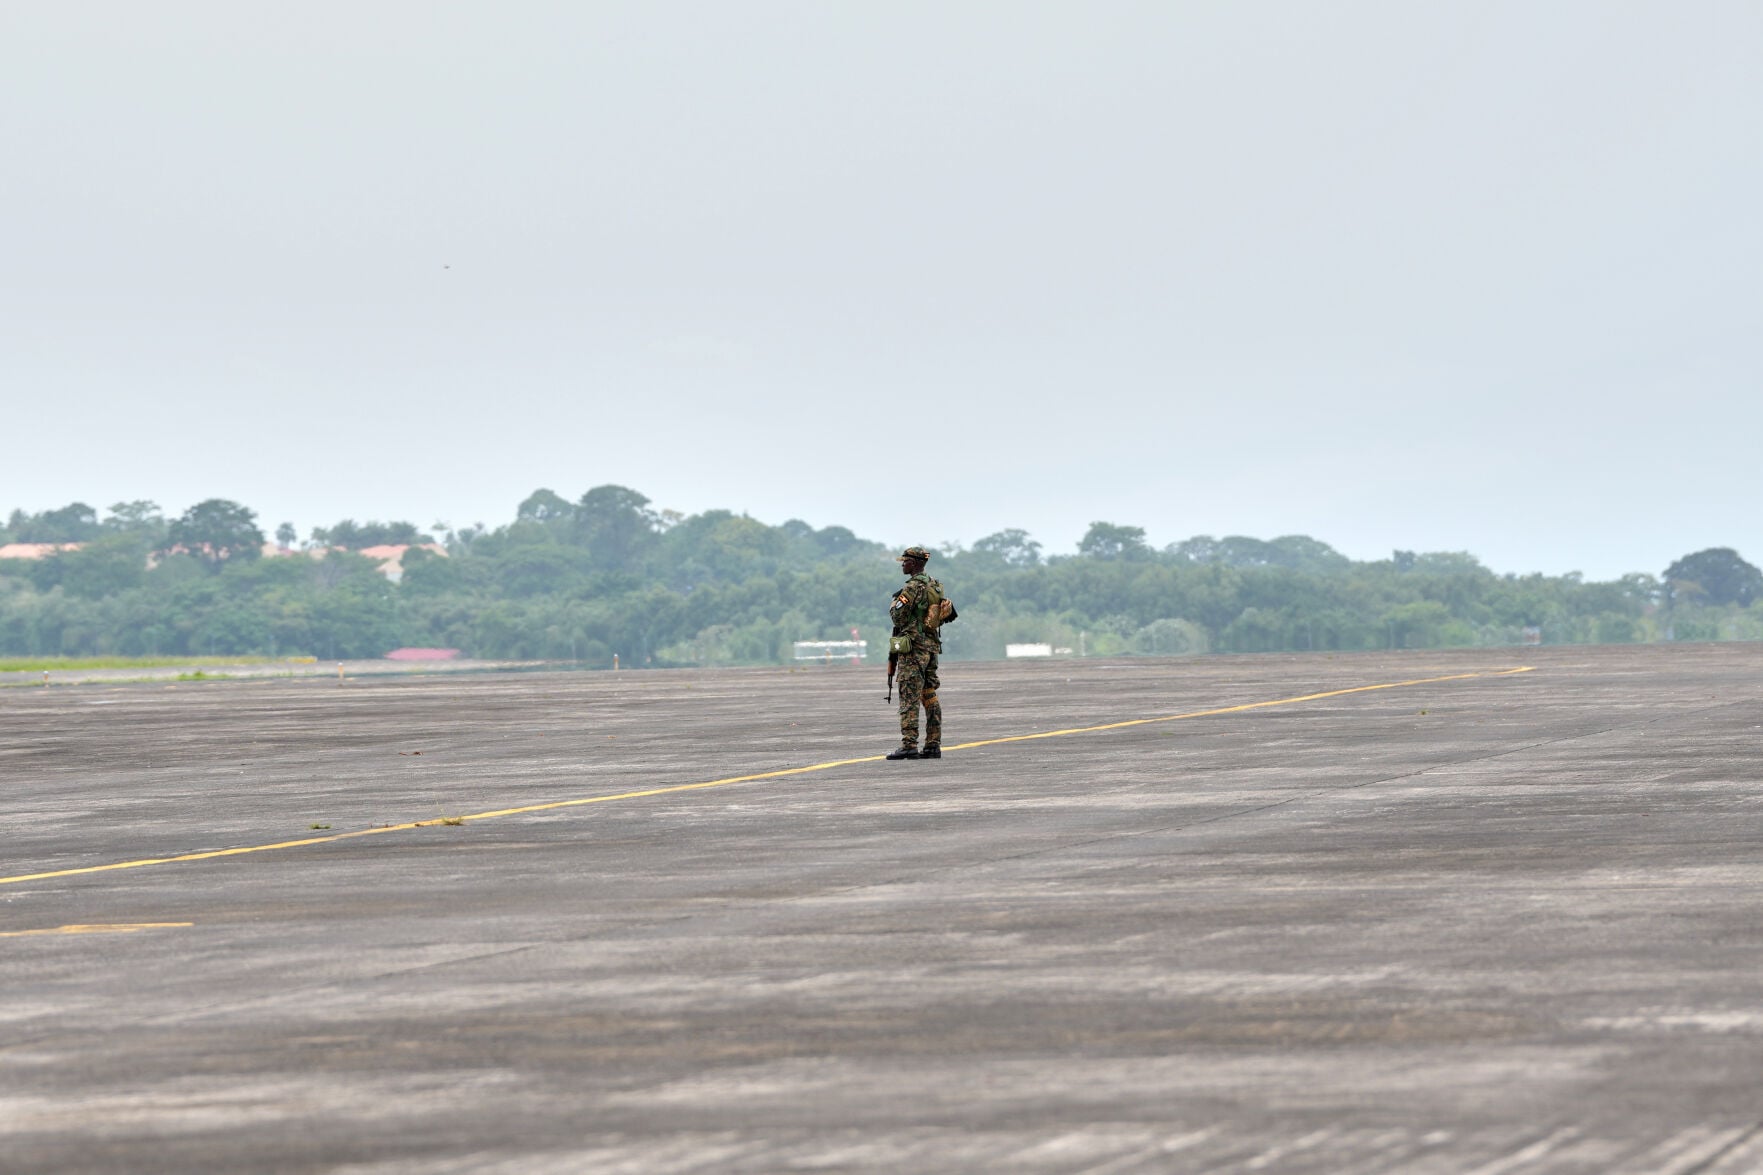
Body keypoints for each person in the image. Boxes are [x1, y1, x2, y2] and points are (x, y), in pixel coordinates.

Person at [886, 545, 955, 760]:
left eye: (905, 562)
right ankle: (933, 744)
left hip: (914, 649)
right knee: (929, 694)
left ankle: (909, 744)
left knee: (909, 696)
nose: (903, 565)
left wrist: (894, 602)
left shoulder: (912, 588)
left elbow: (897, 616)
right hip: (931, 648)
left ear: (914, 563)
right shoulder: (935, 585)